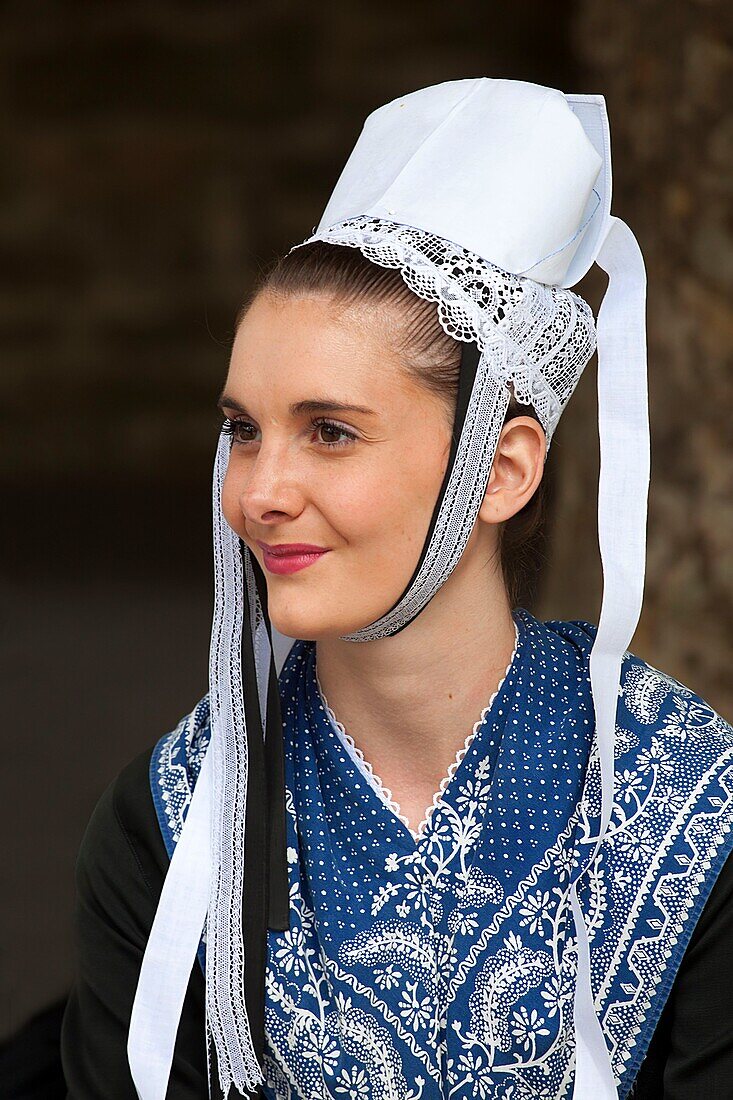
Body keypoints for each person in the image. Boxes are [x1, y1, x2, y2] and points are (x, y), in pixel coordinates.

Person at [61, 80, 733, 1100]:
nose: (259, 491)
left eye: (328, 431)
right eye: (243, 429)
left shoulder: (691, 809)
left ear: (503, 469)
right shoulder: (169, 824)